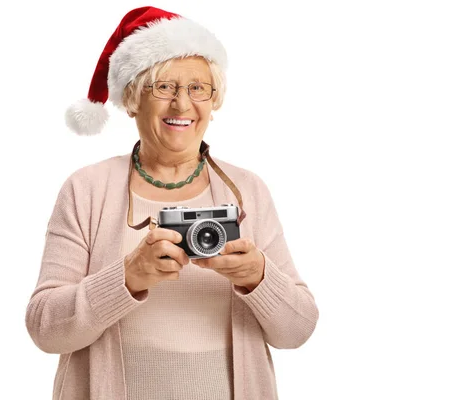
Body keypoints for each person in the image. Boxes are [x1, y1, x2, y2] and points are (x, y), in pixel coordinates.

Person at [25, 6, 318, 400]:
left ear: (214, 101)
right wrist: (127, 278)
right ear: (131, 98)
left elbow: (297, 331)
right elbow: (45, 329)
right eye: (163, 87)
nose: (182, 105)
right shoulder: (87, 189)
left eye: (198, 88)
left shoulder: (247, 191)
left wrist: (258, 276)